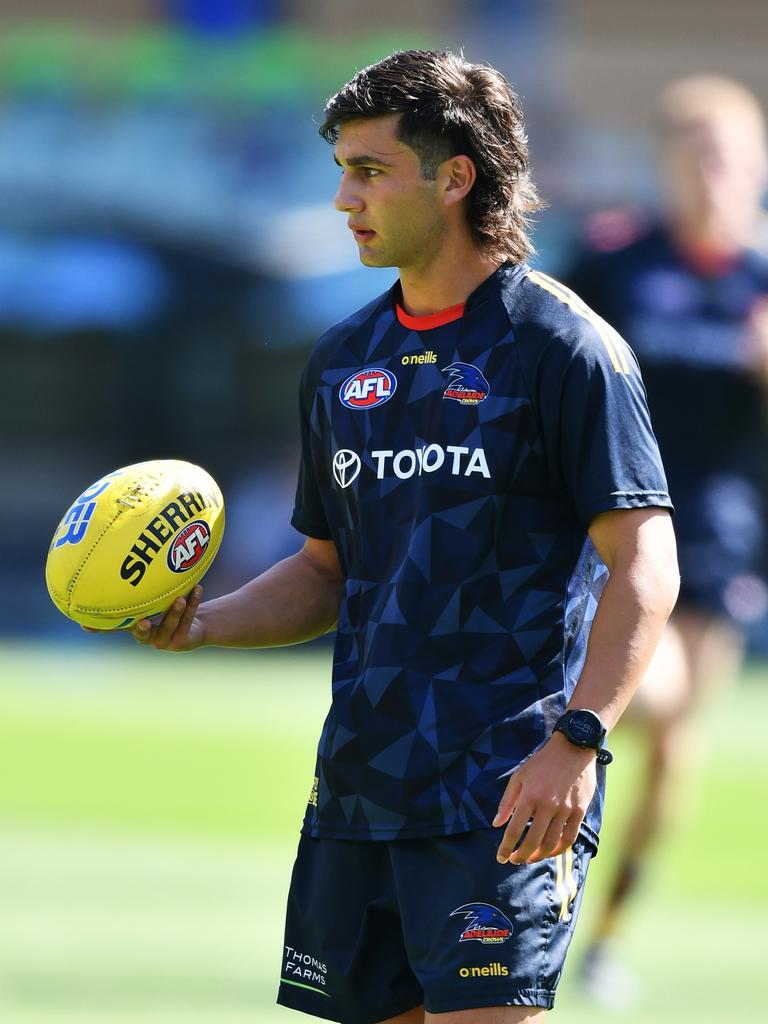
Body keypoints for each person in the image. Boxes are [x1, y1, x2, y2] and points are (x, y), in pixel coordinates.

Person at [128, 51, 679, 1024]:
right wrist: (203, 625)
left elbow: (647, 562)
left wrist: (580, 740)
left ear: (455, 175)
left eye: (371, 169)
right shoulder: (343, 361)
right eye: (343, 168)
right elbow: (322, 573)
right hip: (359, 791)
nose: (344, 197)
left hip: (507, 793)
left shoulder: (564, 348)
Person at [565, 75, 768, 1009]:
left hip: (721, 537)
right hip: (616, 527)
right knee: (651, 702)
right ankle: (542, 880)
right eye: (694, 157)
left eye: (727, 157)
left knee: (679, 755)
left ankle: (605, 936)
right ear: (666, 166)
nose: (712, 176)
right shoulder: (617, 262)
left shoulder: (762, 282)